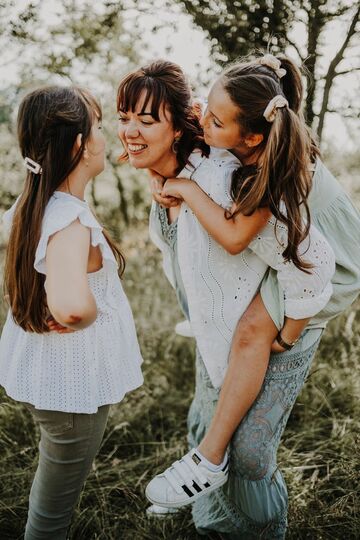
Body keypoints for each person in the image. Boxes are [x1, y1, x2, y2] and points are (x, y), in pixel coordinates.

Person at [117, 58, 360, 538]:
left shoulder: (255, 171)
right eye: (124, 118)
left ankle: (241, 504)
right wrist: (164, 180)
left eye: (146, 121)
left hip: (318, 272)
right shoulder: (218, 151)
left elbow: (238, 241)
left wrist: (289, 332)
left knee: (249, 358)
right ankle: (211, 508)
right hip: (291, 266)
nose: (131, 131)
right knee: (212, 408)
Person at [0, 86, 143, 539]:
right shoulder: (68, 220)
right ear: (80, 145)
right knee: (53, 511)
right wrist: (83, 313)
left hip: (57, 384)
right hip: (72, 390)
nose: (107, 136)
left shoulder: (38, 203)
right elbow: (73, 306)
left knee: (54, 483)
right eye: (99, 127)